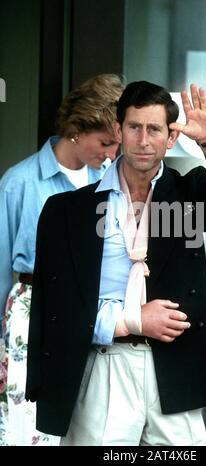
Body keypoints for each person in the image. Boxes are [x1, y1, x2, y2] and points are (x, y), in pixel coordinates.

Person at [25, 80, 206, 446]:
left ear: (170, 138)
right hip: (103, 364)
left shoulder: (186, 200)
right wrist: (132, 319)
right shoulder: (68, 211)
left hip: (174, 371)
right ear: (118, 129)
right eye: (134, 127)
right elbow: (57, 308)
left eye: (154, 129)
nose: (143, 140)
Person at [0, 73, 125, 446]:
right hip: (32, 314)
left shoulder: (109, 182)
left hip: (95, 316)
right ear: (76, 129)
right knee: (28, 428)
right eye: (105, 143)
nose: (111, 154)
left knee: (92, 428)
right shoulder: (20, 182)